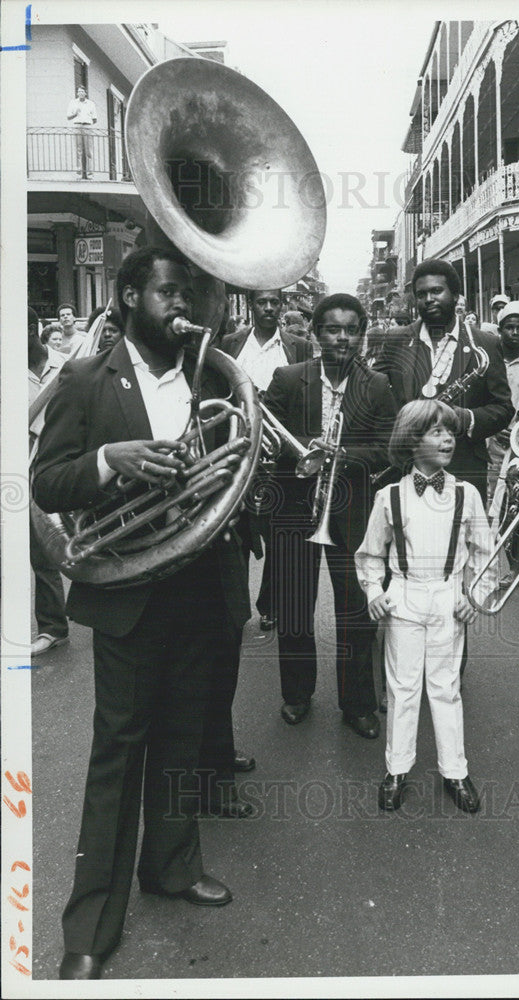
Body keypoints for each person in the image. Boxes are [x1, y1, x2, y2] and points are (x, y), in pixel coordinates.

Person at [33, 246, 251, 980]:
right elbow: (48, 481)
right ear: (128, 297)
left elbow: (235, 461)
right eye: (166, 293)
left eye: (187, 294)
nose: (180, 307)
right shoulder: (85, 379)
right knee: (118, 753)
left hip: (199, 588)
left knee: (183, 740)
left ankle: (172, 865)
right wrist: (109, 462)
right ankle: (90, 924)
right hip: (129, 593)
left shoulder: (210, 376)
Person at [262, 293, 397, 738]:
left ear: (361, 334)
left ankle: (357, 702)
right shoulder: (287, 376)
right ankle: (296, 694)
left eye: (351, 330)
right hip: (296, 506)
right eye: (333, 329)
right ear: (317, 334)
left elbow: (389, 448)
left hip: (353, 508)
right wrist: (306, 449)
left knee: (356, 609)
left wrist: (342, 453)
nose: (342, 338)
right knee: (295, 605)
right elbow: (269, 433)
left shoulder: (376, 385)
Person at [356, 399, 498, 813]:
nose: (448, 438)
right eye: (436, 431)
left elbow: (485, 555)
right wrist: (373, 592)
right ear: (411, 441)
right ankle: (396, 769)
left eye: (450, 431)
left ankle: (455, 771)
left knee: (445, 686)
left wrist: (477, 596)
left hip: (448, 598)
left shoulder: (466, 494)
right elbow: (370, 554)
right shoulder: (389, 497)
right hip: (403, 596)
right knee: (402, 688)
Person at [375, 258, 514, 503]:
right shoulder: (396, 340)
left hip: (464, 471)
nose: (428, 299)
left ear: (455, 295)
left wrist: (467, 418)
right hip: (406, 471)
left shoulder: (486, 343)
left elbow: (503, 408)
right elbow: (374, 394)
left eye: (437, 291)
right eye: (421, 294)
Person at [221, 288, 313, 632]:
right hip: (239, 449)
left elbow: (303, 394)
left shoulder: (298, 346)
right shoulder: (231, 342)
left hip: (279, 454)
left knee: (278, 533)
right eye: (263, 302)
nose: (270, 308)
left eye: (275, 302)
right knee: (236, 533)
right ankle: (235, 608)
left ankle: (270, 603)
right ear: (252, 305)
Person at [28, 307, 69, 657]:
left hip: (53, 467)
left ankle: (53, 627)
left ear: (34, 328)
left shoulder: (67, 364)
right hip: (18, 468)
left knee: (45, 551)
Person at [486, 300, 519, 587]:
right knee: (495, 502)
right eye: (508, 327)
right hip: (494, 442)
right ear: (500, 329)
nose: (514, 333)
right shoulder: (490, 359)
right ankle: (499, 565)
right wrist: (495, 428)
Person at [66, 85, 98, 179]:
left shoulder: (91, 103)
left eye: (82, 92)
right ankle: (79, 173)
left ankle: (90, 174)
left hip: (87, 126)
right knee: (78, 150)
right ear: (77, 93)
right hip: (77, 125)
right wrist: (75, 114)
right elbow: (68, 117)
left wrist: (88, 123)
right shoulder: (73, 103)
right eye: (79, 92)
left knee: (89, 151)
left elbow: (95, 119)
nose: (80, 93)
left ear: (85, 93)